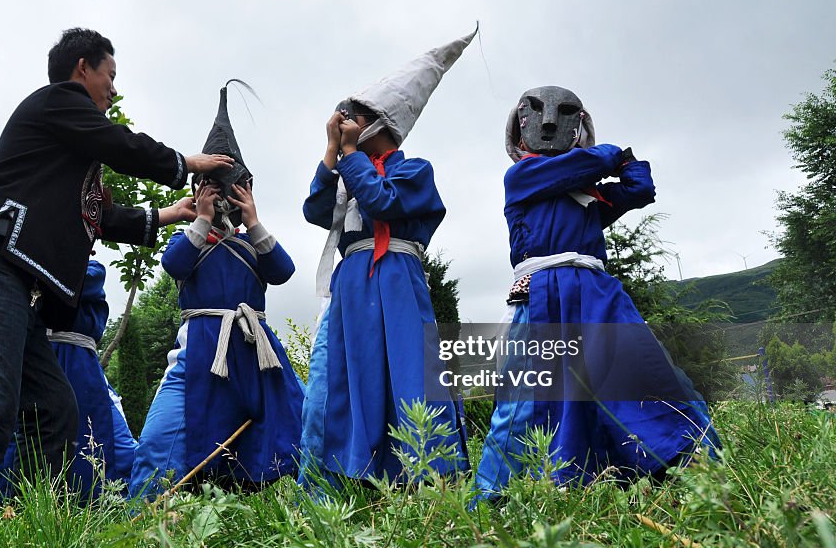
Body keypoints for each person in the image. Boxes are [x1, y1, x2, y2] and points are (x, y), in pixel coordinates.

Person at [0, 28, 231, 529]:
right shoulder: (59, 102)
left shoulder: (69, 158)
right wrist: (186, 163)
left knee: (53, 412)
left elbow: (98, 217)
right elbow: (120, 144)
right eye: (109, 76)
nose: (113, 91)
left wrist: (171, 213)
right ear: (82, 69)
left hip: (15, 284)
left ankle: (31, 527)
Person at [473, 86, 719, 499]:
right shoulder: (521, 178)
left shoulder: (587, 198)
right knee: (527, 394)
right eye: (536, 114)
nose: (550, 122)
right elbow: (586, 164)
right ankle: (497, 494)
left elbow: (640, 189)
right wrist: (609, 154)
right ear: (519, 131)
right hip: (544, 293)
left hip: (596, 292)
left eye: (566, 114)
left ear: (578, 127)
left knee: (641, 371)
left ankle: (681, 460)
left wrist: (624, 157)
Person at [299, 28, 477, 488]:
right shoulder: (348, 172)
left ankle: (429, 476)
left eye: (355, 119)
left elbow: (382, 203)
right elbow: (315, 211)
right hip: (353, 279)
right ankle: (347, 473)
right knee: (346, 375)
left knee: (410, 371)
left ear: (380, 123)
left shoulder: (416, 171)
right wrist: (331, 155)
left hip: (397, 275)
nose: (347, 125)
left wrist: (352, 154)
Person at [130, 82, 304, 497]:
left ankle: (275, 507)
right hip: (199, 355)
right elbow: (173, 265)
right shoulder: (187, 242)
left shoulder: (252, 245)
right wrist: (201, 218)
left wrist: (254, 221)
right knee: (160, 439)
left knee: (294, 424)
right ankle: (143, 515)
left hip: (255, 355)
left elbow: (283, 271)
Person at [0, 260, 136, 500]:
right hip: (36, 361)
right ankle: (16, 502)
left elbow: (71, 285)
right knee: (25, 434)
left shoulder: (91, 270)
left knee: (103, 440)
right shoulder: (24, 270)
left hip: (81, 367)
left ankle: (97, 503)